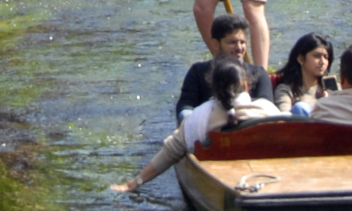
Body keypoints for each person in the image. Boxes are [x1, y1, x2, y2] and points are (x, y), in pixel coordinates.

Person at [111, 58, 280, 193]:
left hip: (227, 185)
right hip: (270, 179)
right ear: (246, 85)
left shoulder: (199, 119)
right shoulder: (266, 109)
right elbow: (292, 126)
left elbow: (171, 151)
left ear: (213, 86)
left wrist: (134, 183)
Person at [175, 12, 274, 121]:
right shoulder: (198, 72)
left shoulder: (259, 73)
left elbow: (266, 105)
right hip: (209, 127)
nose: (239, 48)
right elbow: (185, 105)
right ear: (216, 44)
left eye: (242, 42)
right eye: (232, 42)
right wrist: (189, 120)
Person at [273, 32, 335, 114]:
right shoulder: (287, 90)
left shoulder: (332, 89)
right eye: (317, 56)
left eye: (326, 57)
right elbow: (285, 118)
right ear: (301, 59)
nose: (323, 62)